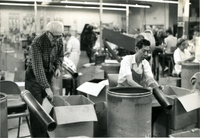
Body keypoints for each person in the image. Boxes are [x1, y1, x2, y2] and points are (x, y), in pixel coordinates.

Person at [25, 21, 64, 137]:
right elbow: (38, 68)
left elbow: (60, 56)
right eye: (55, 36)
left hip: (48, 75)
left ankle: (47, 135)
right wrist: (46, 87)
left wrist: (57, 67)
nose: (58, 39)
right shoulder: (38, 42)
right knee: (37, 110)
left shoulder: (59, 40)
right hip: (34, 77)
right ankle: (38, 136)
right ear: (48, 33)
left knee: (48, 105)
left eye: (60, 36)